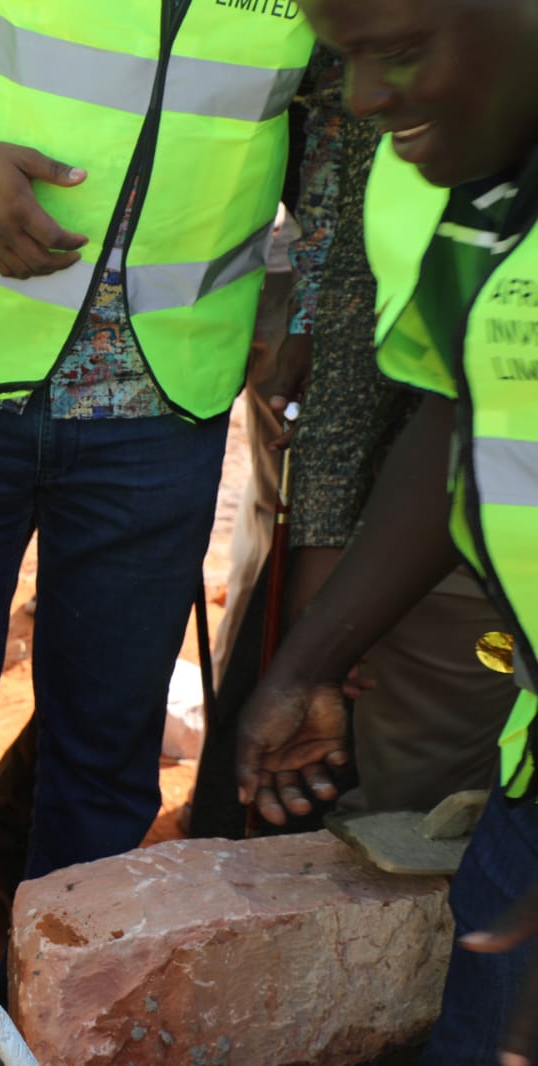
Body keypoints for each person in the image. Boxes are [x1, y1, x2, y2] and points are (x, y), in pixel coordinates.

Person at [0, 0, 316, 1033]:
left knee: (105, 749)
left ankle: (56, 1019)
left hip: (168, 390)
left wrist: (298, 300)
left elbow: (344, 130)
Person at [235, 0, 538, 1060]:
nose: (363, 100)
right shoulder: (442, 188)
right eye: (349, 60)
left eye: (400, 55)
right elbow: (460, 413)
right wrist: (312, 657)